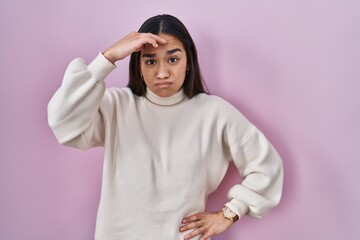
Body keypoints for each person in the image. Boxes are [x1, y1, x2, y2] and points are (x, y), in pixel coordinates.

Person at [48, 14, 283, 240]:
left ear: (188, 62)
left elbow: (267, 166)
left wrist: (229, 213)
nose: (162, 73)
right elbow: (64, 123)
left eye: (173, 59)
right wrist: (107, 58)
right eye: (150, 61)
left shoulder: (215, 113)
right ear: (139, 66)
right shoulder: (116, 105)